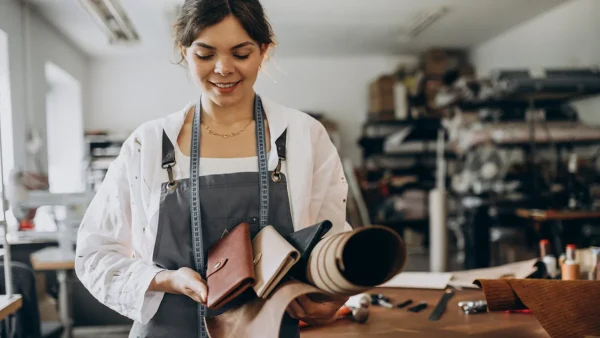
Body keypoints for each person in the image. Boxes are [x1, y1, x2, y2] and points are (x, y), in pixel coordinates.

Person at [74, 0, 350, 337]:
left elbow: (333, 239)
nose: (223, 68)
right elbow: (94, 254)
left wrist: (333, 292)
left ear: (264, 51)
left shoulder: (304, 136)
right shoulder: (148, 143)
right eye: (205, 55)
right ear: (184, 52)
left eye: (241, 53)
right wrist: (166, 280)